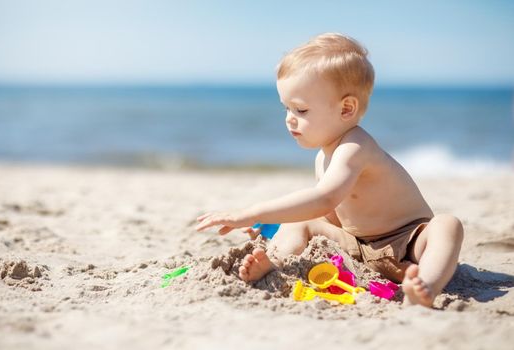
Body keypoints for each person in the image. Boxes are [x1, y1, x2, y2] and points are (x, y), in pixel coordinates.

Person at [196, 33, 464, 307]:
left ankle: (426, 285)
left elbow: (324, 198)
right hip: (360, 248)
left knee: (446, 225)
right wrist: (272, 226)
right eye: (286, 108)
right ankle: (274, 261)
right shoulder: (322, 159)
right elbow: (330, 216)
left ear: (346, 109)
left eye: (301, 110)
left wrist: (248, 213)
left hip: (408, 245)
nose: (289, 118)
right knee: (298, 221)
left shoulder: (356, 147)